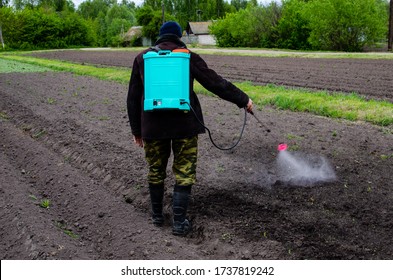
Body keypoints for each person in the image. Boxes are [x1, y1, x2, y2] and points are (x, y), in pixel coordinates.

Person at [127, 21, 253, 236]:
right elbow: (215, 83)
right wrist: (243, 100)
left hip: (153, 128)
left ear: (160, 36)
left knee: (156, 171)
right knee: (184, 174)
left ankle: (157, 217)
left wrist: (137, 131)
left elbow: (132, 97)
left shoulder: (141, 58)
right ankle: (179, 223)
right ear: (179, 37)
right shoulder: (188, 57)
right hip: (184, 127)